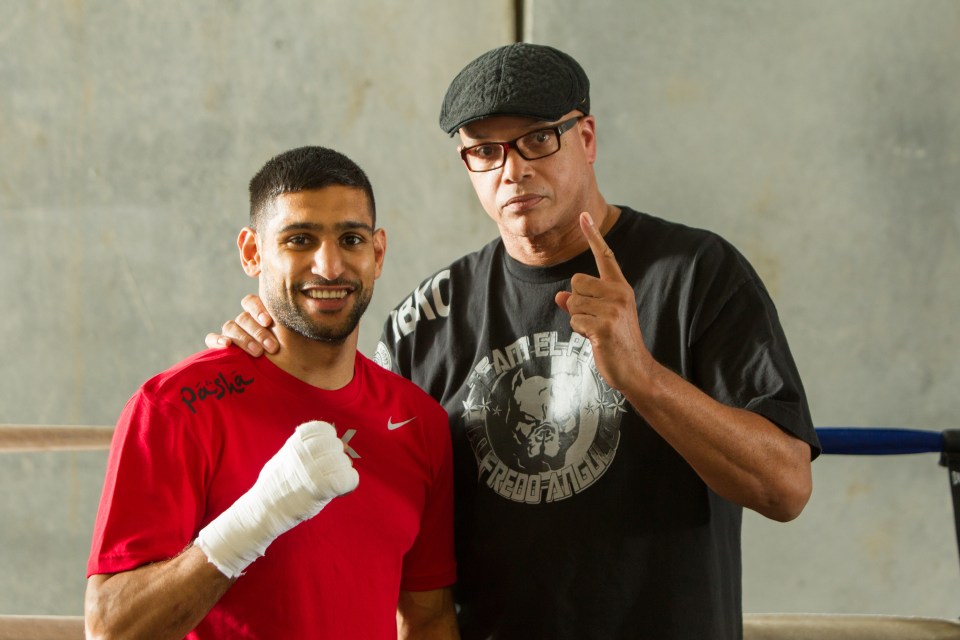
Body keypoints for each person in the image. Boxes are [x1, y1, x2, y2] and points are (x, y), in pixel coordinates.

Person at [209, 45, 821, 640]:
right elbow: (344, 476)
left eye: (537, 139)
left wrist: (643, 376)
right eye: (485, 150)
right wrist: (267, 354)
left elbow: (785, 487)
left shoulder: (694, 274)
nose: (513, 169)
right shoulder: (428, 319)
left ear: (586, 139)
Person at [86, 146, 459, 639]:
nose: (329, 267)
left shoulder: (419, 421)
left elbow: (427, 619)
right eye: (300, 240)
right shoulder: (176, 407)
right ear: (252, 252)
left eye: (351, 239)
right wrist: (257, 517)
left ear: (378, 253)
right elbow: (112, 630)